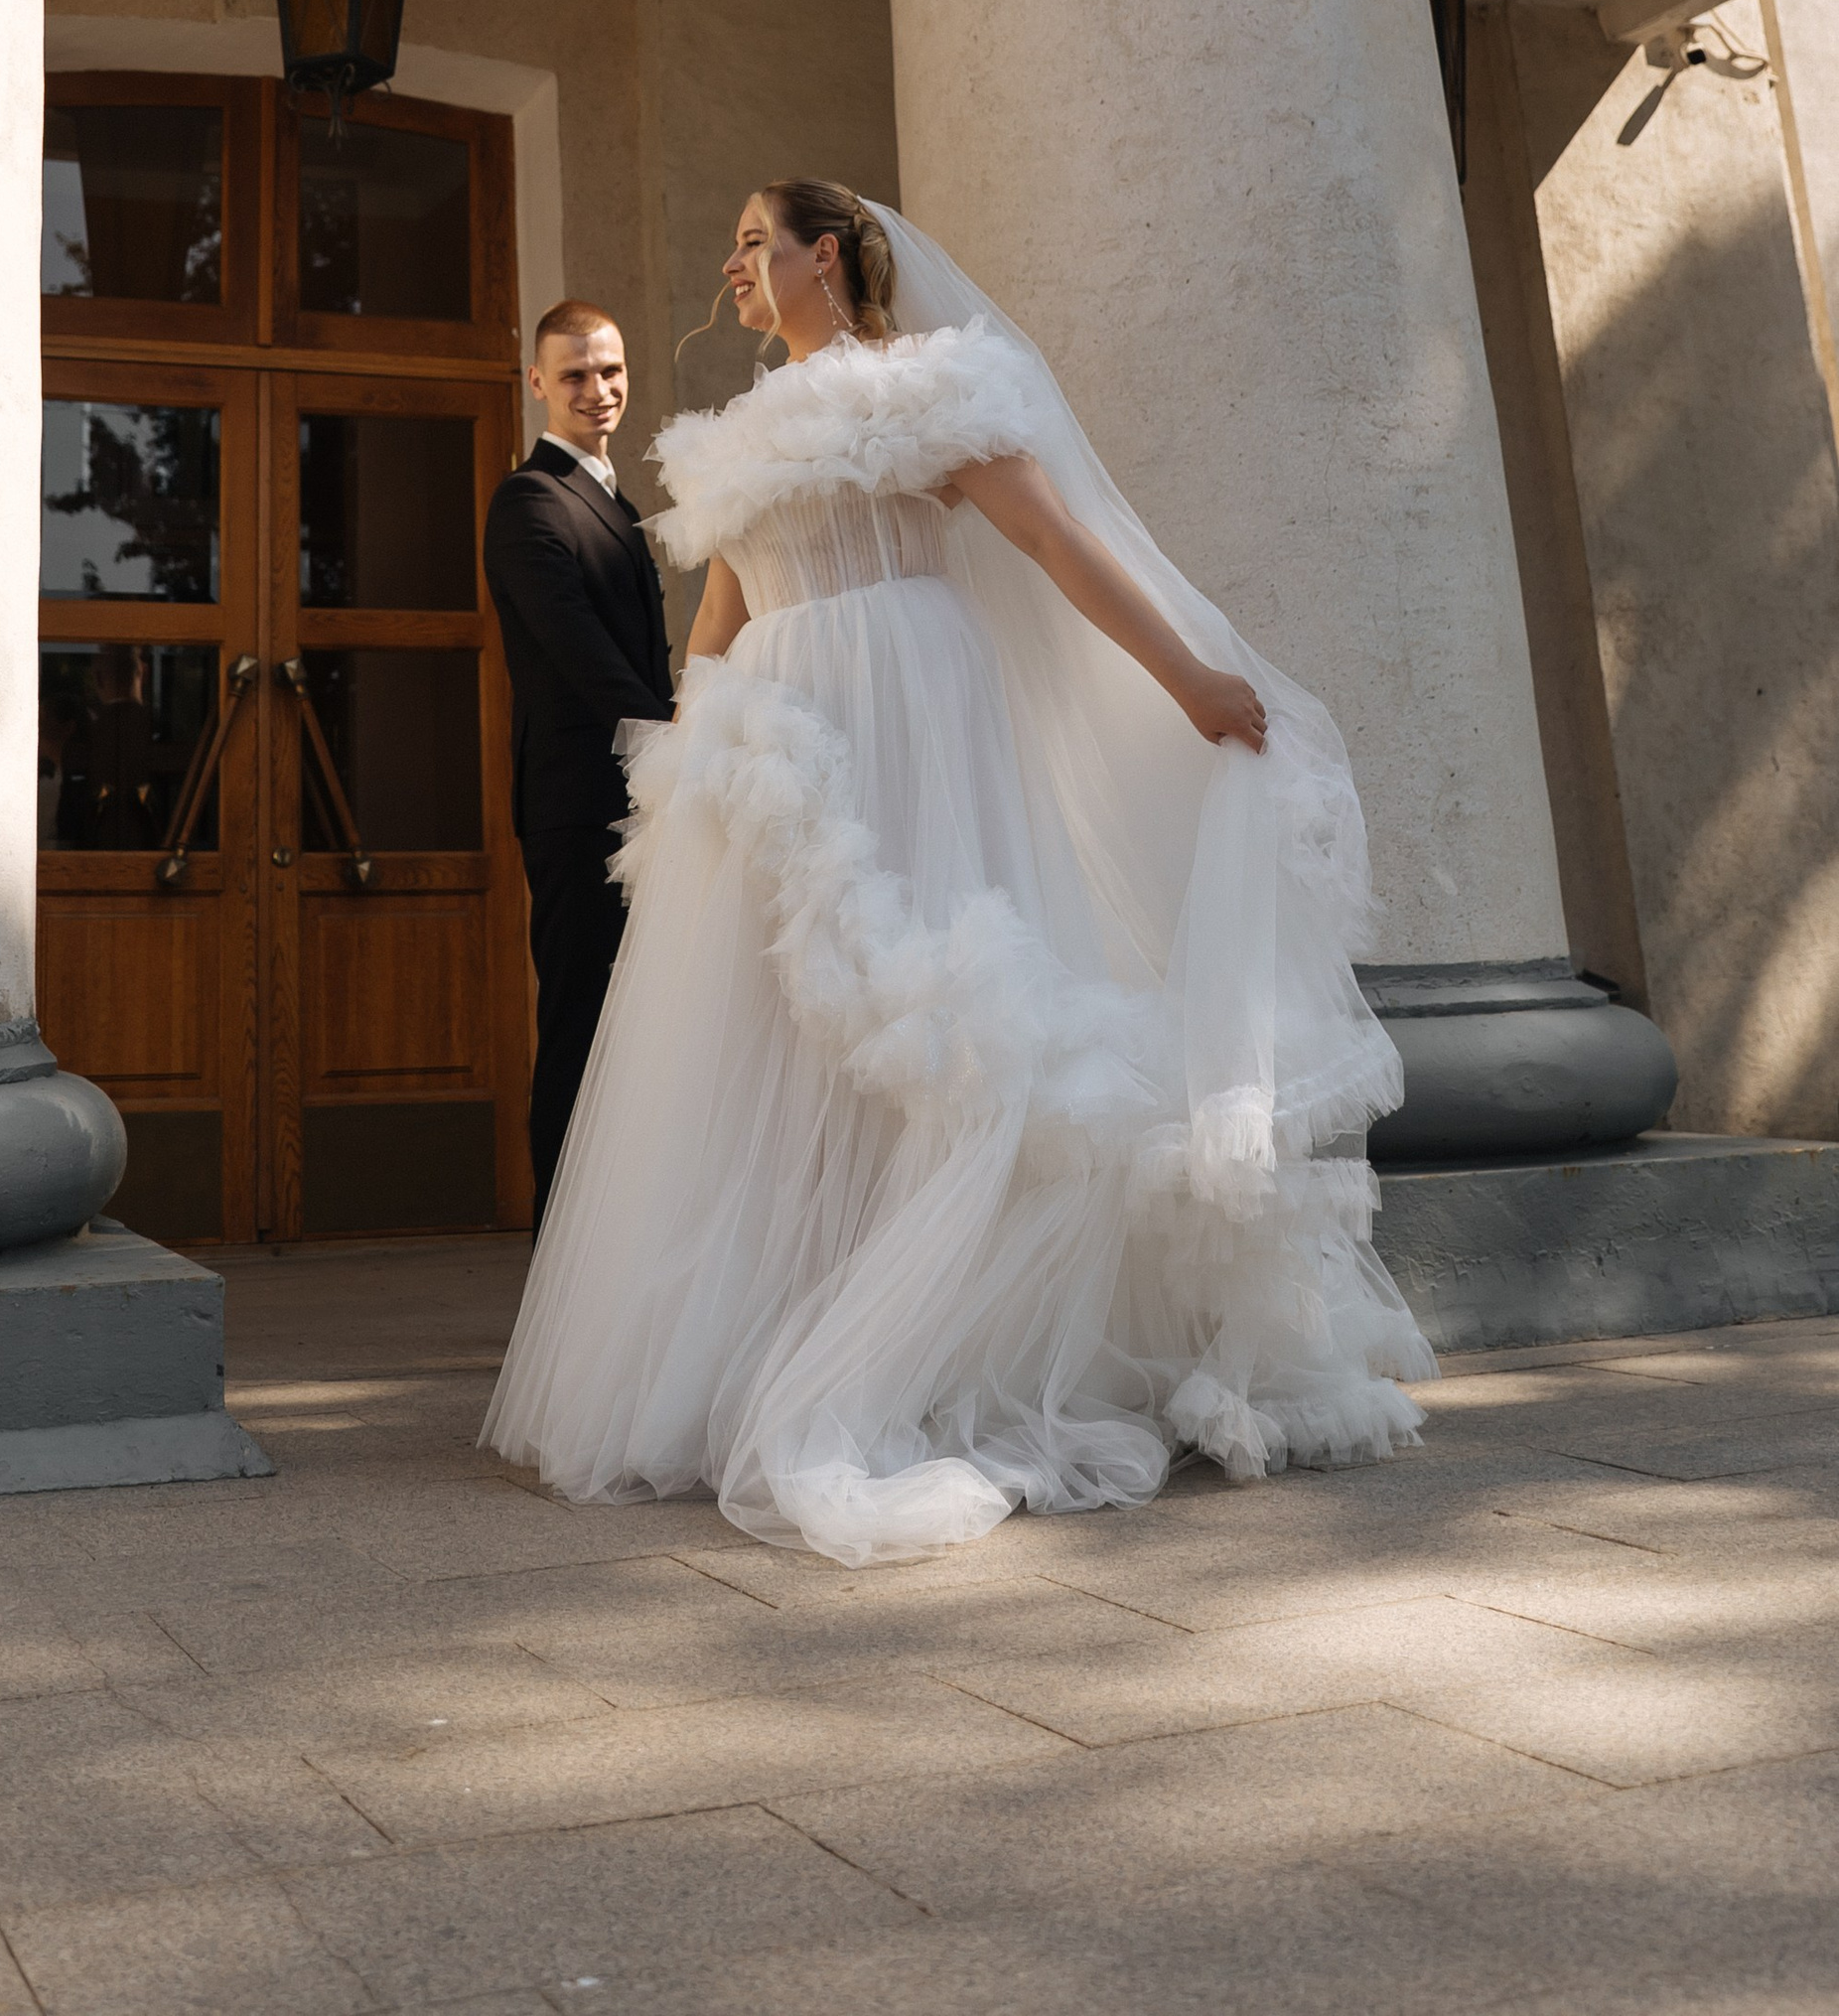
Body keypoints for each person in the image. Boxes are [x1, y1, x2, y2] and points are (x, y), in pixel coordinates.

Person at [484, 182, 1433, 1565]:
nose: (733, 265)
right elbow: (723, 613)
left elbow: (1053, 543)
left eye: (756, 242)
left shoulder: (930, 392)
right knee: (782, 1041)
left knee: (941, 1011)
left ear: (826, 256)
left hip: (915, 716)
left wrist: (1185, 679)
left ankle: (956, 1339)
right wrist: (695, 760)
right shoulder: (740, 433)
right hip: (785, 738)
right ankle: (772, 1338)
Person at [483, 298, 674, 1225]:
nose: (598, 391)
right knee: (580, 1027)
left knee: (634, 1034)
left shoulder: (611, 496)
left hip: (634, 798)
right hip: (579, 808)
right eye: (574, 376)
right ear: (536, 384)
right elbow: (582, 652)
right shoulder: (529, 500)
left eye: (611, 372)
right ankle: (560, 1250)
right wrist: (679, 744)